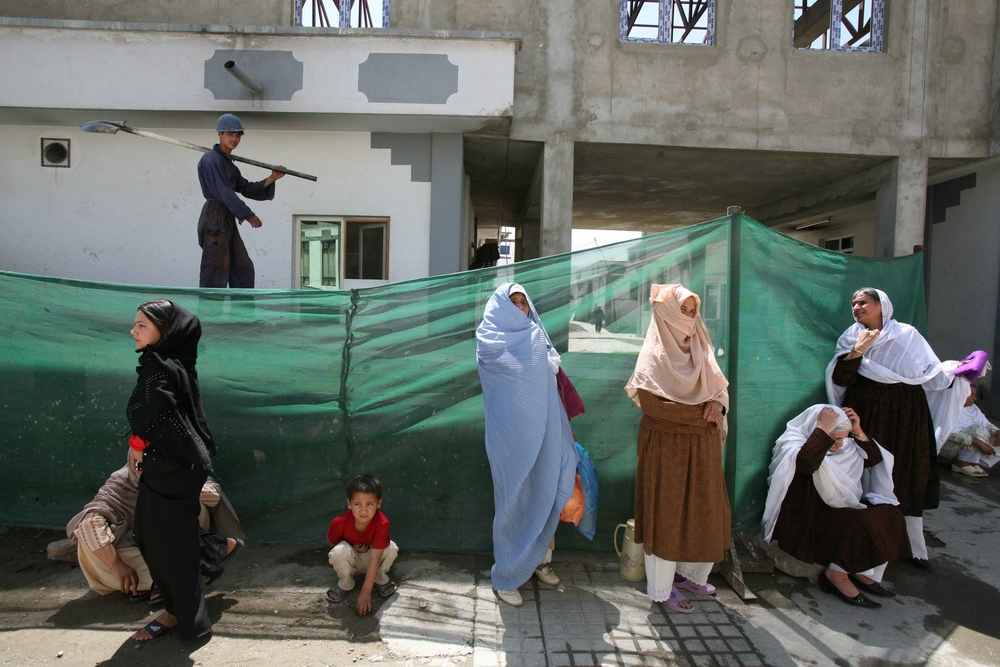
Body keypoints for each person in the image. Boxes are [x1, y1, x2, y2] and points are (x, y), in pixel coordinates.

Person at [826, 288, 970, 571]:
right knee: (872, 472)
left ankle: (913, 548)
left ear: (882, 306)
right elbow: (840, 377)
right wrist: (859, 350)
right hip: (870, 416)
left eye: (863, 302)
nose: (856, 307)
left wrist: (959, 372)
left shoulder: (908, 335)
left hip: (907, 415)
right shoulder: (850, 337)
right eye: (854, 304)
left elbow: (930, 373)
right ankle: (869, 546)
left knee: (907, 472)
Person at [624, 284, 730, 613]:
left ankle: (689, 575)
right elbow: (654, 406)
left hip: (702, 446)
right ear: (666, 312)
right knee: (667, 514)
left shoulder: (702, 346)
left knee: (702, 509)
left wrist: (719, 407)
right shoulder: (654, 354)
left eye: (692, 310)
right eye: (682, 310)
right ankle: (662, 587)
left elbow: (719, 389)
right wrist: (704, 414)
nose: (689, 317)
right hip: (666, 445)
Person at [126, 299, 224, 643]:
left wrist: (138, 441)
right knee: (150, 535)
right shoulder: (173, 362)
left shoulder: (161, 369)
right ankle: (216, 551)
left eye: (142, 326)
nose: (133, 331)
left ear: (164, 332)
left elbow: (159, 415)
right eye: (135, 324)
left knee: (169, 546)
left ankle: (183, 617)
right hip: (175, 465)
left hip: (173, 467)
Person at [476, 283, 579, 607]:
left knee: (550, 490)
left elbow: (550, 383)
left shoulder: (538, 336)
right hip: (511, 438)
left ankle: (539, 561)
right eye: (514, 302)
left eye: (524, 302)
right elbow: (509, 383)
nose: (521, 308)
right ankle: (506, 574)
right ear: (500, 308)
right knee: (514, 501)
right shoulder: (489, 341)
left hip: (548, 427)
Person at [763, 405, 910, 608]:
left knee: (891, 513)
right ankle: (836, 576)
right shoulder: (794, 444)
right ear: (817, 429)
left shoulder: (845, 445)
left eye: (843, 437)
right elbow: (806, 463)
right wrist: (822, 430)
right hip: (808, 518)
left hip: (840, 506)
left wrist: (857, 431)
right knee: (860, 523)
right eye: (834, 438)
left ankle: (858, 570)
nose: (839, 445)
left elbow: (874, 459)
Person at [66, 451, 245, 602]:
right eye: (139, 465)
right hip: (135, 544)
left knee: (188, 508)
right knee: (91, 545)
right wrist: (117, 565)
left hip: (172, 539)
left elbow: (213, 495)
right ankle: (168, 576)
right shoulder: (121, 484)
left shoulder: (182, 469)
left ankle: (166, 577)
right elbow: (89, 522)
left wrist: (169, 488)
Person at [197, 113, 285, 288]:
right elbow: (224, 193)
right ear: (219, 134)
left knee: (242, 268)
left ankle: (242, 313)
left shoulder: (228, 164)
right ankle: (210, 313)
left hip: (227, 218)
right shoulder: (211, 160)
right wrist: (248, 214)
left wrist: (272, 178)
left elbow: (246, 188)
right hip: (215, 217)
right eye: (230, 134)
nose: (234, 139)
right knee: (215, 269)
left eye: (238, 135)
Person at [325, 474, 399, 616]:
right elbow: (332, 542)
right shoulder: (339, 522)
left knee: (391, 548)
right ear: (349, 503)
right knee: (338, 552)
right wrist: (351, 545)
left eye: (369, 504)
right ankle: (346, 584)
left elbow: (375, 558)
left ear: (378, 503)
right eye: (358, 504)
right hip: (353, 561)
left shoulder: (382, 522)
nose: (363, 510)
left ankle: (380, 579)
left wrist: (366, 592)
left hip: (373, 560)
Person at [939, 385, 1000, 477]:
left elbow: (987, 425)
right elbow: (950, 434)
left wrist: (997, 431)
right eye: (971, 395)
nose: (975, 398)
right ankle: (962, 461)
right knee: (978, 430)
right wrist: (979, 443)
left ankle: (972, 461)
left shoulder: (973, 409)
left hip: (968, 444)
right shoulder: (948, 409)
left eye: (975, 395)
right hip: (949, 446)